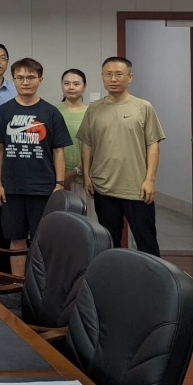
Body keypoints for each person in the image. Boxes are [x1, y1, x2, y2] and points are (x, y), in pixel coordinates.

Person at [0, 58, 72, 277]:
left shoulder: (51, 113)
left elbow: (58, 151)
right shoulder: (3, 112)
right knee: (15, 239)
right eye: (20, 78)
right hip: (12, 188)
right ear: (14, 79)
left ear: (40, 80)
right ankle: (18, 284)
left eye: (31, 77)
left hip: (43, 188)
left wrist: (59, 184)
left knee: (41, 240)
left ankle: (39, 286)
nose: (25, 82)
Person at [77, 57, 166, 257]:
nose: (113, 79)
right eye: (108, 74)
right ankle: (114, 281)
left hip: (137, 188)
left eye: (119, 74)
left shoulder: (143, 107)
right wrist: (88, 177)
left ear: (130, 77)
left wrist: (150, 180)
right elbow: (87, 144)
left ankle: (153, 283)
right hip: (104, 187)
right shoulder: (94, 109)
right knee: (109, 241)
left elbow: (153, 145)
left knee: (146, 241)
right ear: (102, 77)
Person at [55, 69, 89, 196]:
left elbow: (96, 146)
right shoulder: (53, 111)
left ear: (84, 86)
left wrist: (77, 171)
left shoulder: (92, 112)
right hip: (58, 177)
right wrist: (61, 176)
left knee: (83, 215)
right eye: (66, 83)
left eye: (76, 84)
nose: (71, 87)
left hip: (85, 177)